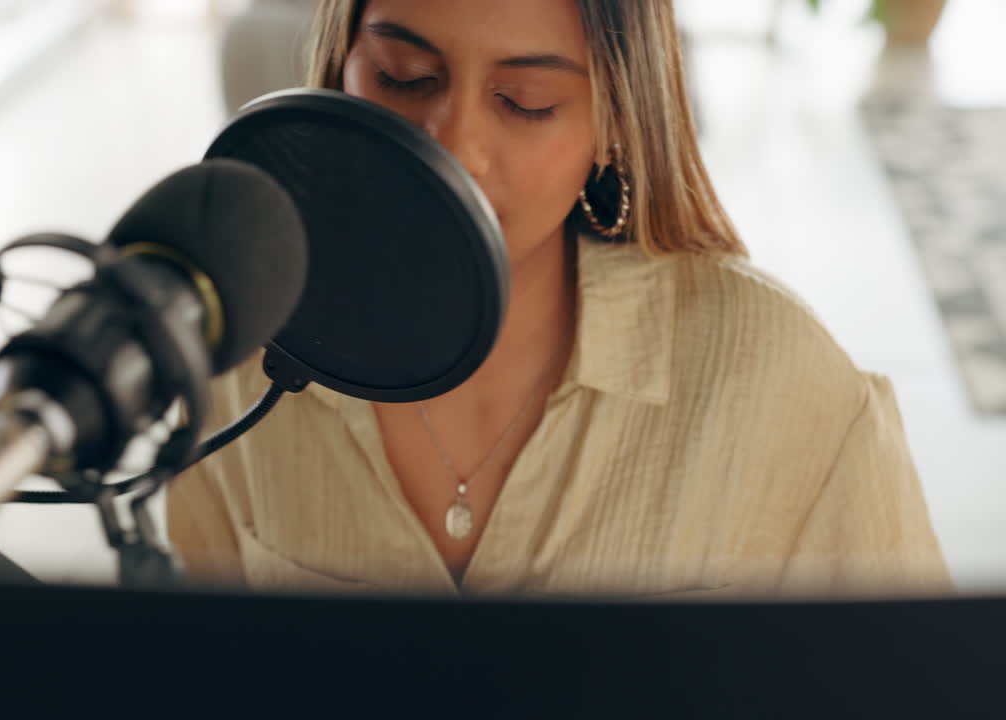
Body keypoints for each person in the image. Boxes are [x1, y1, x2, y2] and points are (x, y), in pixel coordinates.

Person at [164, 0, 953, 599]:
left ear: (614, 119)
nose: (454, 146)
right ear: (339, 67)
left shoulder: (785, 385)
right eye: (404, 79)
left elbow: (919, 686)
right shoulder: (239, 354)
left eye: (526, 100)